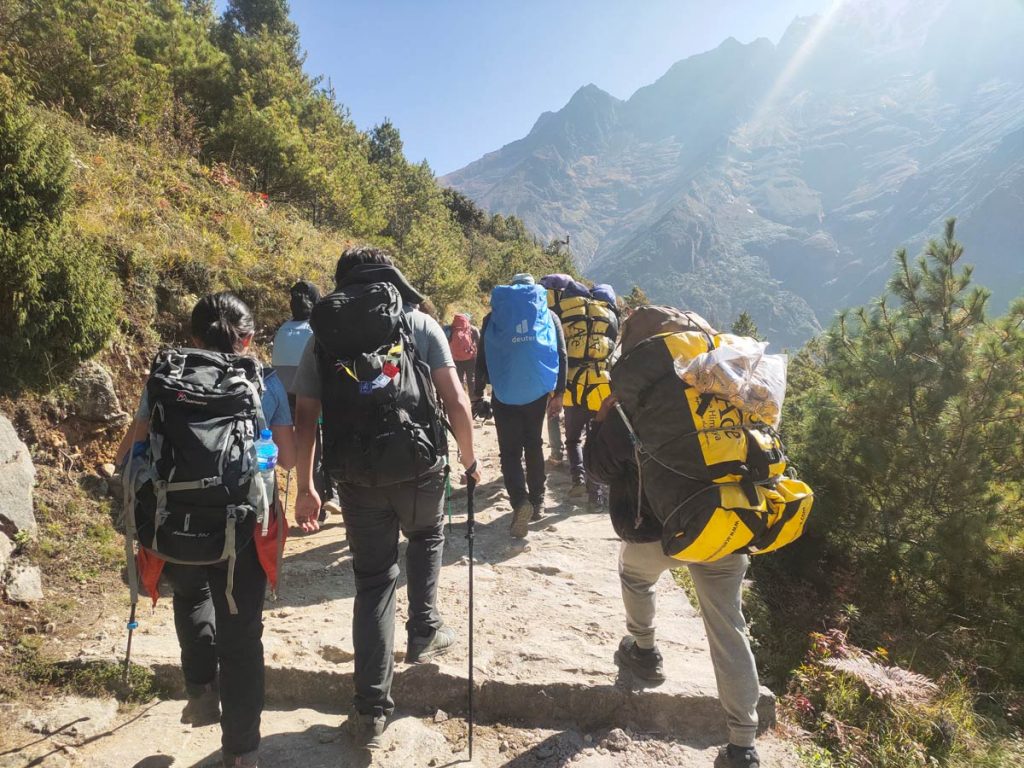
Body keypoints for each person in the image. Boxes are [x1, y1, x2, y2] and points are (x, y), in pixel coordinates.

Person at [290, 247, 479, 750]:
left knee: (373, 581)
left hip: (353, 474)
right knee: (427, 533)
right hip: (418, 464)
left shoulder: (322, 334)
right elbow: (456, 399)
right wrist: (469, 458)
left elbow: (306, 415)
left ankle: (370, 708)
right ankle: (424, 629)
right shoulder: (418, 323)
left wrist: (306, 487)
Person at [115, 292, 295, 768]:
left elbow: (129, 454)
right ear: (249, 338)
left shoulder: (165, 379)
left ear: (193, 336)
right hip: (241, 528)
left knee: (191, 597)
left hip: (175, 523)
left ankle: (199, 692)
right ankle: (241, 753)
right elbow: (286, 457)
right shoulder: (264, 380)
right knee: (241, 636)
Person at [584, 393, 763, 768]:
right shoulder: (728, 394)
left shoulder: (639, 398)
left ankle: (645, 652)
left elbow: (599, 469)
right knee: (729, 627)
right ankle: (743, 745)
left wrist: (601, 419)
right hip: (727, 527)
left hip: (665, 533)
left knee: (634, 573)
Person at [473, 273, 567, 537]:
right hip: (537, 392)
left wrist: (477, 394)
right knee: (534, 443)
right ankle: (538, 500)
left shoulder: (493, 317)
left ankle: (520, 502)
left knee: (510, 451)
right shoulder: (549, 316)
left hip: (503, 391)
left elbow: (482, 358)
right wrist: (558, 393)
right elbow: (561, 353)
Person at [271, 280, 340, 524]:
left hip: (283, 401)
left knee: (307, 446)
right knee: (319, 447)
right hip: (311, 396)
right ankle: (323, 500)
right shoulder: (318, 331)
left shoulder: (282, 330)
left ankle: (321, 495)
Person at [559, 282, 619, 507]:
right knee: (596, 438)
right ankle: (596, 494)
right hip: (600, 386)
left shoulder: (567, 315)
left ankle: (578, 478)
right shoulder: (608, 318)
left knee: (573, 439)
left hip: (573, 385)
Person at [448, 312, 480, 395]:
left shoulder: (451, 329)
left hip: (456, 359)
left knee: (459, 380)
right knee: (471, 380)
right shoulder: (473, 329)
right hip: (470, 358)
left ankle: (461, 399)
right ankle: (473, 401)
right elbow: (480, 344)